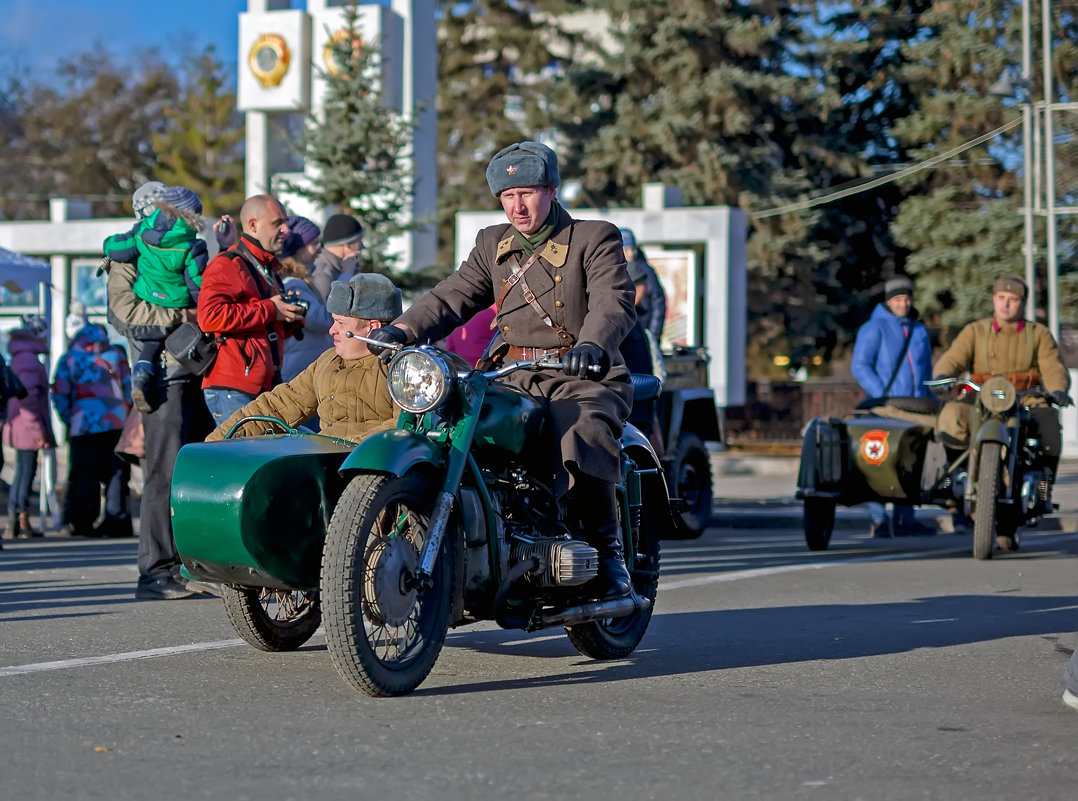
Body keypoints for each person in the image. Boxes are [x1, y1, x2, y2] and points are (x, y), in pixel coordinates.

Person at [366, 141, 638, 599]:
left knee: (579, 430)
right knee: (452, 424)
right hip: (510, 377)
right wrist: (402, 329)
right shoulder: (493, 244)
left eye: (527, 193)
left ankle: (608, 557)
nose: (518, 206)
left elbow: (614, 301)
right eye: (508, 197)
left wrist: (592, 344)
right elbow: (452, 296)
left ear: (551, 190)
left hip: (580, 375)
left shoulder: (594, 237)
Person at [106, 256, 215, 599]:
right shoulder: (125, 260)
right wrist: (185, 315)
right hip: (163, 381)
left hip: (197, 371)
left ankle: (189, 567)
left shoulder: (183, 249)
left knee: (193, 476)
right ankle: (155, 572)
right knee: (163, 476)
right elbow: (126, 317)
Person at [205, 272, 401, 443]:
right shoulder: (328, 361)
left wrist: (344, 449)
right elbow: (277, 405)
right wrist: (216, 443)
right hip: (325, 466)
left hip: (376, 474)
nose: (332, 330)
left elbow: (402, 428)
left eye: (341, 323)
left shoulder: (405, 369)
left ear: (372, 328)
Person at [933, 274, 1070, 478]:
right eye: (1001, 297)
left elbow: (1053, 366)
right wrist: (942, 376)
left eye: (1013, 299)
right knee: (951, 417)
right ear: (994, 299)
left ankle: (1041, 485)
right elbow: (953, 358)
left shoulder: (1039, 334)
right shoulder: (975, 331)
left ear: (1023, 303)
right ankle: (955, 478)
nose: (1005, 304)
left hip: (1025, 397)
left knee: (1048, 426)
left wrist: (1058, 389)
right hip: (982, 397)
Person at [196, 194, 306, 427]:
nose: (286, 229)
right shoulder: (228, 264)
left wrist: (288, 318)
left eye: (285, 222)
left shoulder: (268, 268)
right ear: (253, 225)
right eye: (278, 223)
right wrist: (270, 309)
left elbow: (261, 328)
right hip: (233, 388)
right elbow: (209, 317)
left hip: (260, 384)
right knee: (238, 462)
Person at [102, 184, 208, 413]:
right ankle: (142, 378)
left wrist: (107, 247)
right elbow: (197, 286)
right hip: (169, 372)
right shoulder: (193, 245)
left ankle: (140, 375)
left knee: (152, 337)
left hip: (150, 298)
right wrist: (196, 311)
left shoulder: (141, 235)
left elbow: (117, 247)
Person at [850, 275, 935, 538]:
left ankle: (905, 518)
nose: (904, 303)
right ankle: (879, 519)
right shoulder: (873, 328)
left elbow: (927, 369)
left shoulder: (919, 330)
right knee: (880, 459)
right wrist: (881, 394)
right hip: (886, 407)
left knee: (911, 461)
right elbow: (860, 366)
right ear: (888, 301)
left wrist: (929, 397)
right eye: (898, 299)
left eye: (907, 298)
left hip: (916, 406)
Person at [50, 323, 134, 538]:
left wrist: (69, 418)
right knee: (116, 473)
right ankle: (117, 521)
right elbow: (129, 387)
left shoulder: (70, 358)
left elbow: (60, 391)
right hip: (116, 420)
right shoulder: (116, 354)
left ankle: (83, 523)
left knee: (85, 474)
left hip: (84, 422)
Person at [3, 315, 55, 539]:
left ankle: (16, 519)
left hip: (19, 424)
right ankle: (18, 520)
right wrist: (38, 432)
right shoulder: (29, 361)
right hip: (27, 426)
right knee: (26, 472)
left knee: (22, 472)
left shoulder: (20, 357)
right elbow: (29, 401)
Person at [278, 215, 333, 384]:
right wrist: (346, 276)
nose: (319, 249)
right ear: (298, 248)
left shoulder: (300, 281)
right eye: (314, 243)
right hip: (297, 374)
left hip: (302, 370)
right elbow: (323, 322)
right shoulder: (293, 285)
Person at [620, 227, 667, 341]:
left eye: (633, 249)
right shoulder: (612, 269)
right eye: (626, 250)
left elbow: (658, 300)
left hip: (643, 327)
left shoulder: (645, 270)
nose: (631, 254)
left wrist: (654, 333)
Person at [311, 213, 363, 301]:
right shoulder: (322, 271)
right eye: (359, 240)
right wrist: (347, 274)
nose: (362, 246)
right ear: (348, 245)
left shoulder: (336, 266)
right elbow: (328, 310)